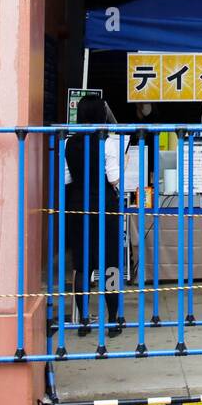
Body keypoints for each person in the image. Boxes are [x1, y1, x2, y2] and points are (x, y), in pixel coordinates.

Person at [65, 94, 122, 337]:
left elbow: (66, 178)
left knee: (81, 264)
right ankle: (112, 319)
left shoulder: (69, 143)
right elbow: (114, 179)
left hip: (78, 206)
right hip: (105, 206)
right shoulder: (107, 142)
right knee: (110, 264)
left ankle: (84, 320)